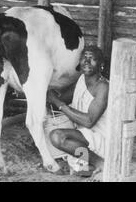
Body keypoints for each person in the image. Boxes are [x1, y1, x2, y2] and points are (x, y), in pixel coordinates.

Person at [47, 45, 109, 176]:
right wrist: (49, 93)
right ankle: (89, 166)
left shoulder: (103, 87)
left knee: (57, 136)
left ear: (101, 64)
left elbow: (88, 121)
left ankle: (101, 163)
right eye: (84, 58)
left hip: (101, 139)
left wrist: (58, 103)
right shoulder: (81, 80)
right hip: (84, 136)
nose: (86, 61)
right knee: (77, 170)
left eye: (92, 58)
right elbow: (60, 100)